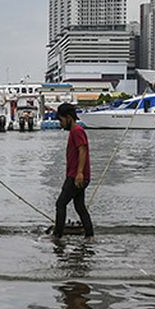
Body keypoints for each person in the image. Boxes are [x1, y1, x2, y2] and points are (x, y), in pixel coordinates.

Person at [53, 102, 94, 241]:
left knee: (60, 204)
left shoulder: (77, 131)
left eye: (61, 119)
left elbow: (83, 150)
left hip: (76, 176)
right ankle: (89, 235)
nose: (60, 123)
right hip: (76, 175)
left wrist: (80, 173)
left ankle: (57, 235)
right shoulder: (74, 132)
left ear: (69, 117)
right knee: (79, 206)